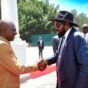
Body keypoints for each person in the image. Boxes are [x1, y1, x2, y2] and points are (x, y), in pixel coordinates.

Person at [38, 11, 88, 88]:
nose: (55, 28)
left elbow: (85, 68)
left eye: (58, 25)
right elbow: (58, 55)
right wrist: (46, 61)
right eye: (55, 25)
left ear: (67, 24)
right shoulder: (62, 37)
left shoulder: (77, 38)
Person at [0, 20, 38, 88]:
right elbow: (17, 69)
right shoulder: (2, 45)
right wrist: (36, 65)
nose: (16, 33)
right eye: (13, 30)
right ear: (3, 30)